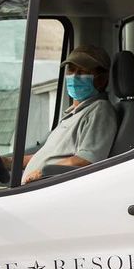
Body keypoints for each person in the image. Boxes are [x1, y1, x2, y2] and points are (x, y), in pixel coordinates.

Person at [16, 44, 117, 184]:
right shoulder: (74, 113)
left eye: (82, 72)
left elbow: (85, 160)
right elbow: (49, 156)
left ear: (102, 79)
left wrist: (41, 172)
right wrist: (8, 162)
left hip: (50, 188)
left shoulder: (100, 110)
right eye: (71, 70)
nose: (74, 76)